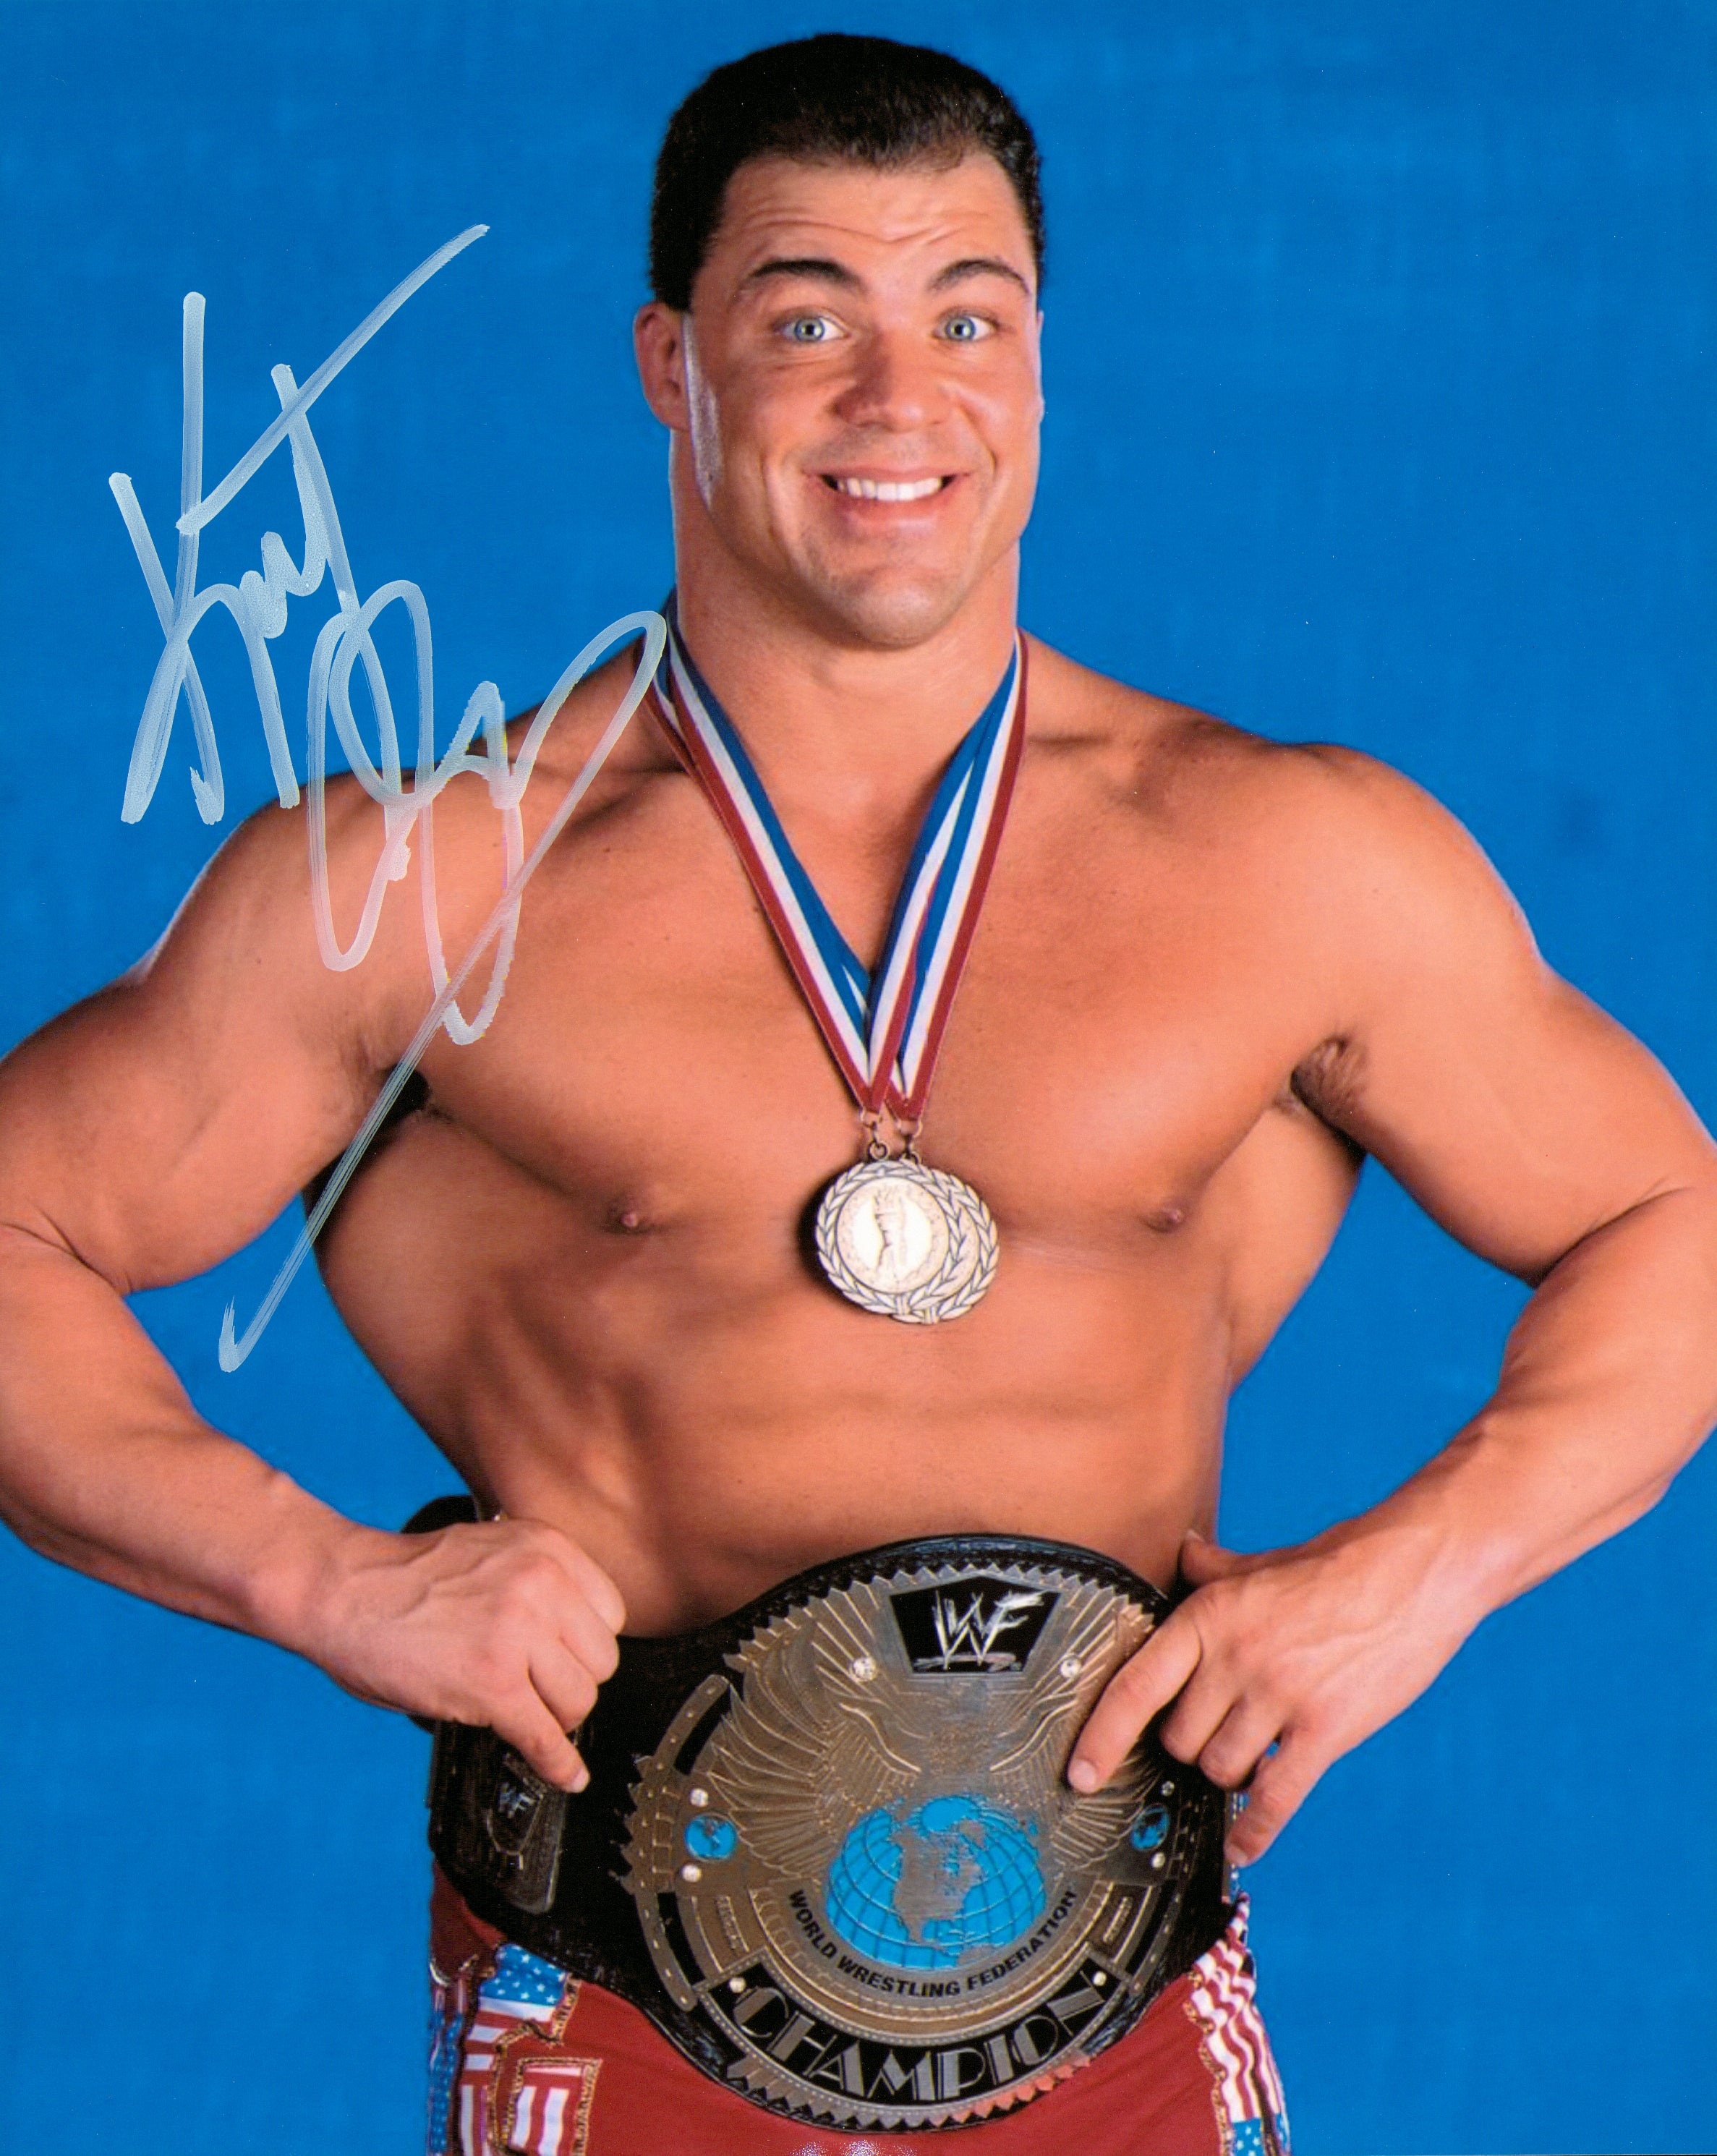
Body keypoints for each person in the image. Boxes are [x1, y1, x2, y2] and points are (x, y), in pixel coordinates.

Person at [1, 30, 1714, 2156]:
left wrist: (1420, 1573)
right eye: (809, 320)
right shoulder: (421, 884)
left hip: (1127, 2015)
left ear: (1041, 370)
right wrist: (316, 1575)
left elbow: (1668, 1219)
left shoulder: (1289, 861)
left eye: (968, 321)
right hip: (620, 2019)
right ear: (673, 365)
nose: (901, 400)